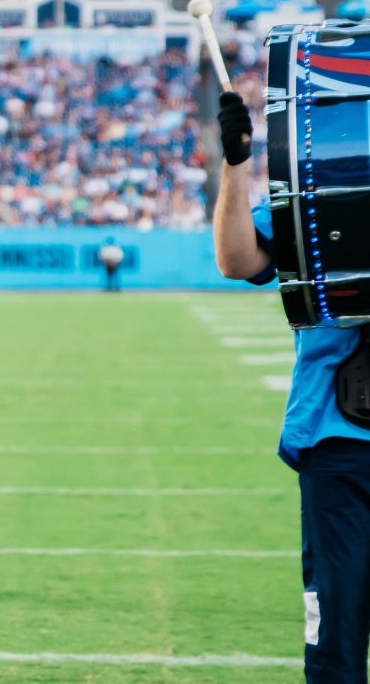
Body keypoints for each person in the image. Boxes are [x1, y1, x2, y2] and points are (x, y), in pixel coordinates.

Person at [214, 90, 370, 683]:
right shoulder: (320, 183)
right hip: (341, 435)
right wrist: (236, 165)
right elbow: (237, 259)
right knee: (336, 640)